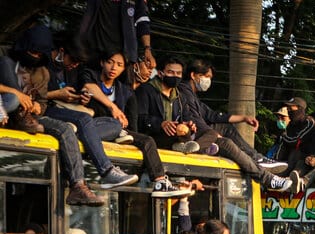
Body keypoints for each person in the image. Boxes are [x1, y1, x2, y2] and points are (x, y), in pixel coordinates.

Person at [0, 25, 132, 206]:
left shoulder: (42, 71)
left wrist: (42, 104)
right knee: (14, 100)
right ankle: (89, 145)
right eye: (33, 52)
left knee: (99, 126)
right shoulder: (6, 58)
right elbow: (30, 97)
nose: (36, 57)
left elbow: (41, 100)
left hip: (40, 115)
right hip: (10, 109)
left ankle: (79, 185)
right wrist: (18, 94)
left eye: (40, 55)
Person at [80, 51, 192, 197]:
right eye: (110, 62)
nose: (114, 68)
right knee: (127, 130)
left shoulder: (125, 91)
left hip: (122, 131)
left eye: (119, 65)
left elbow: (133, 123)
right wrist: (112, 108)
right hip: (96, 127)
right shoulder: (90, 78)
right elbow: (88, 90)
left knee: (145, 140)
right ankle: (159, 180)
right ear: (102, 63)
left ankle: (164, 178)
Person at [177, 60, 292, 192]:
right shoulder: (183, 91)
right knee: (227, 143)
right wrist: (212, 134)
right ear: (193, 75)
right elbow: (195, 120)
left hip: (200, 133)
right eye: (206, 77)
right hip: (191, 136)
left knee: (226, 128)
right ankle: (267, 178)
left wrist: (244, 118)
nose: (208, 81)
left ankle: (258, 159)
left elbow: (213, 115)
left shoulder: (193, 95)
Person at [79, 0, 155, 67]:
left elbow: (143, 22)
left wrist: (147, 49)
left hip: (125, 59)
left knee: (125, 82)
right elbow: (85, 23)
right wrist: (76, 50)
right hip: (95, 55)